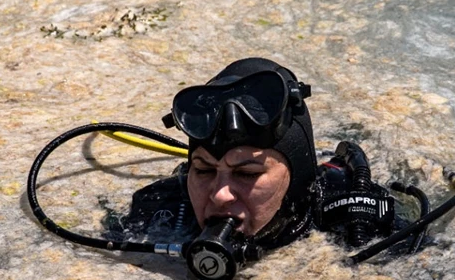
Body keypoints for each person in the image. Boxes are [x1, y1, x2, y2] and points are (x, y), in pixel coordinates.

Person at [119, 57, 398, 253]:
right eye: (204, 170)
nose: (219, 195)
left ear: (295, 178)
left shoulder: (354, 219)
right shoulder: (158, 210)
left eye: (246, 173)